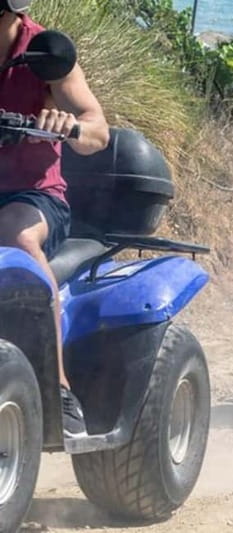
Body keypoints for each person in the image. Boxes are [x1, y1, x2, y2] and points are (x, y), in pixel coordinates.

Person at [0, 1, 110, 438]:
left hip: (36, 199)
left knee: (13, 234)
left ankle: (58, 387)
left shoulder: (45, 54)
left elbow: (97, 129)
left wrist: (70, 126)